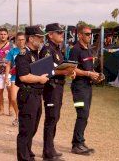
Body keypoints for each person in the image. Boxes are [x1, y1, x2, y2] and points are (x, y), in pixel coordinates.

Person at [40, 23, 75, 160]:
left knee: (55, 118)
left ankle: (50, 148)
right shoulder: (47, 49)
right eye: (58, 32)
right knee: (51, 118)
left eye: (62, 32)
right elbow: (46, 70)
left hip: (58, 87)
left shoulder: (57, 48)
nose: (62, 34)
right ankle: (47, 152)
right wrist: (64, 71)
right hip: (51, 88)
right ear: (50, 35)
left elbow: (59, 66)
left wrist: (69, 72)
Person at [16, 26, 49, 161]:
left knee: (33, 127)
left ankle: (28, 152)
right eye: (39, 37)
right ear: (31, 38)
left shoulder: (36, 53)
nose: (42, 39)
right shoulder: (23, 55)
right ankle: (23, 157)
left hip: (36, 95)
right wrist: (40, 79)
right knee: (26, 129)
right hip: (28, 94)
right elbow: (24, 77)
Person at [69, 26, 102, 155]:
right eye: (87, 34)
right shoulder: (76, 50)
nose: (89, 36)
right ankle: (76, 145)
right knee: (81, 114)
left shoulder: (88, 49)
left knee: (85, 115)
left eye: (90, 34)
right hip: (78, 88)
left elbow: (89, 69)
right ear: (80, 35)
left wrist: (96, 76)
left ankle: (80, 141)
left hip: (87, 87)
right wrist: (88, 74)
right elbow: (72, 69)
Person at [5, 32, 26, 126]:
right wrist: (6, 77)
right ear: (16, 41)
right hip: (15, 78)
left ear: (25, 40)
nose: (21, 41)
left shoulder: (29, 51)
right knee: (13, 98)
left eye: (22, 39)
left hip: (27, 77)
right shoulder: (12, 51)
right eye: (19, 39)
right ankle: (18, 116)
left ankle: (24, 118)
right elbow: (8, 65)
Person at [0, 28, 12, 116]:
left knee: (10, 91)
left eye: (4, 34)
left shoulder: (12, 46)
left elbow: (15, 58)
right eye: (1, 34)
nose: (3, 36)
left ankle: (10, 109)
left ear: (7, 35)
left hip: (9, 72)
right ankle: (1, 110)